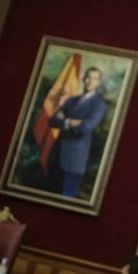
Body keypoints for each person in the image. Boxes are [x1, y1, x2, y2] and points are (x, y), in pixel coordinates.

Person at [48, 66, 108, 198]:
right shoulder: (71, 101)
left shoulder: (99, 105)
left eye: (94, 79)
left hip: (75, 161)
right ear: (83, 79)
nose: (90, 81)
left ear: (98, 82)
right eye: (88, 77)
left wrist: (64, 121)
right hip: (57, 157)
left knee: (65, 201)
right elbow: (52, 120)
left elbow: (84, 129)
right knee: (48, 197)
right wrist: (70, 122)